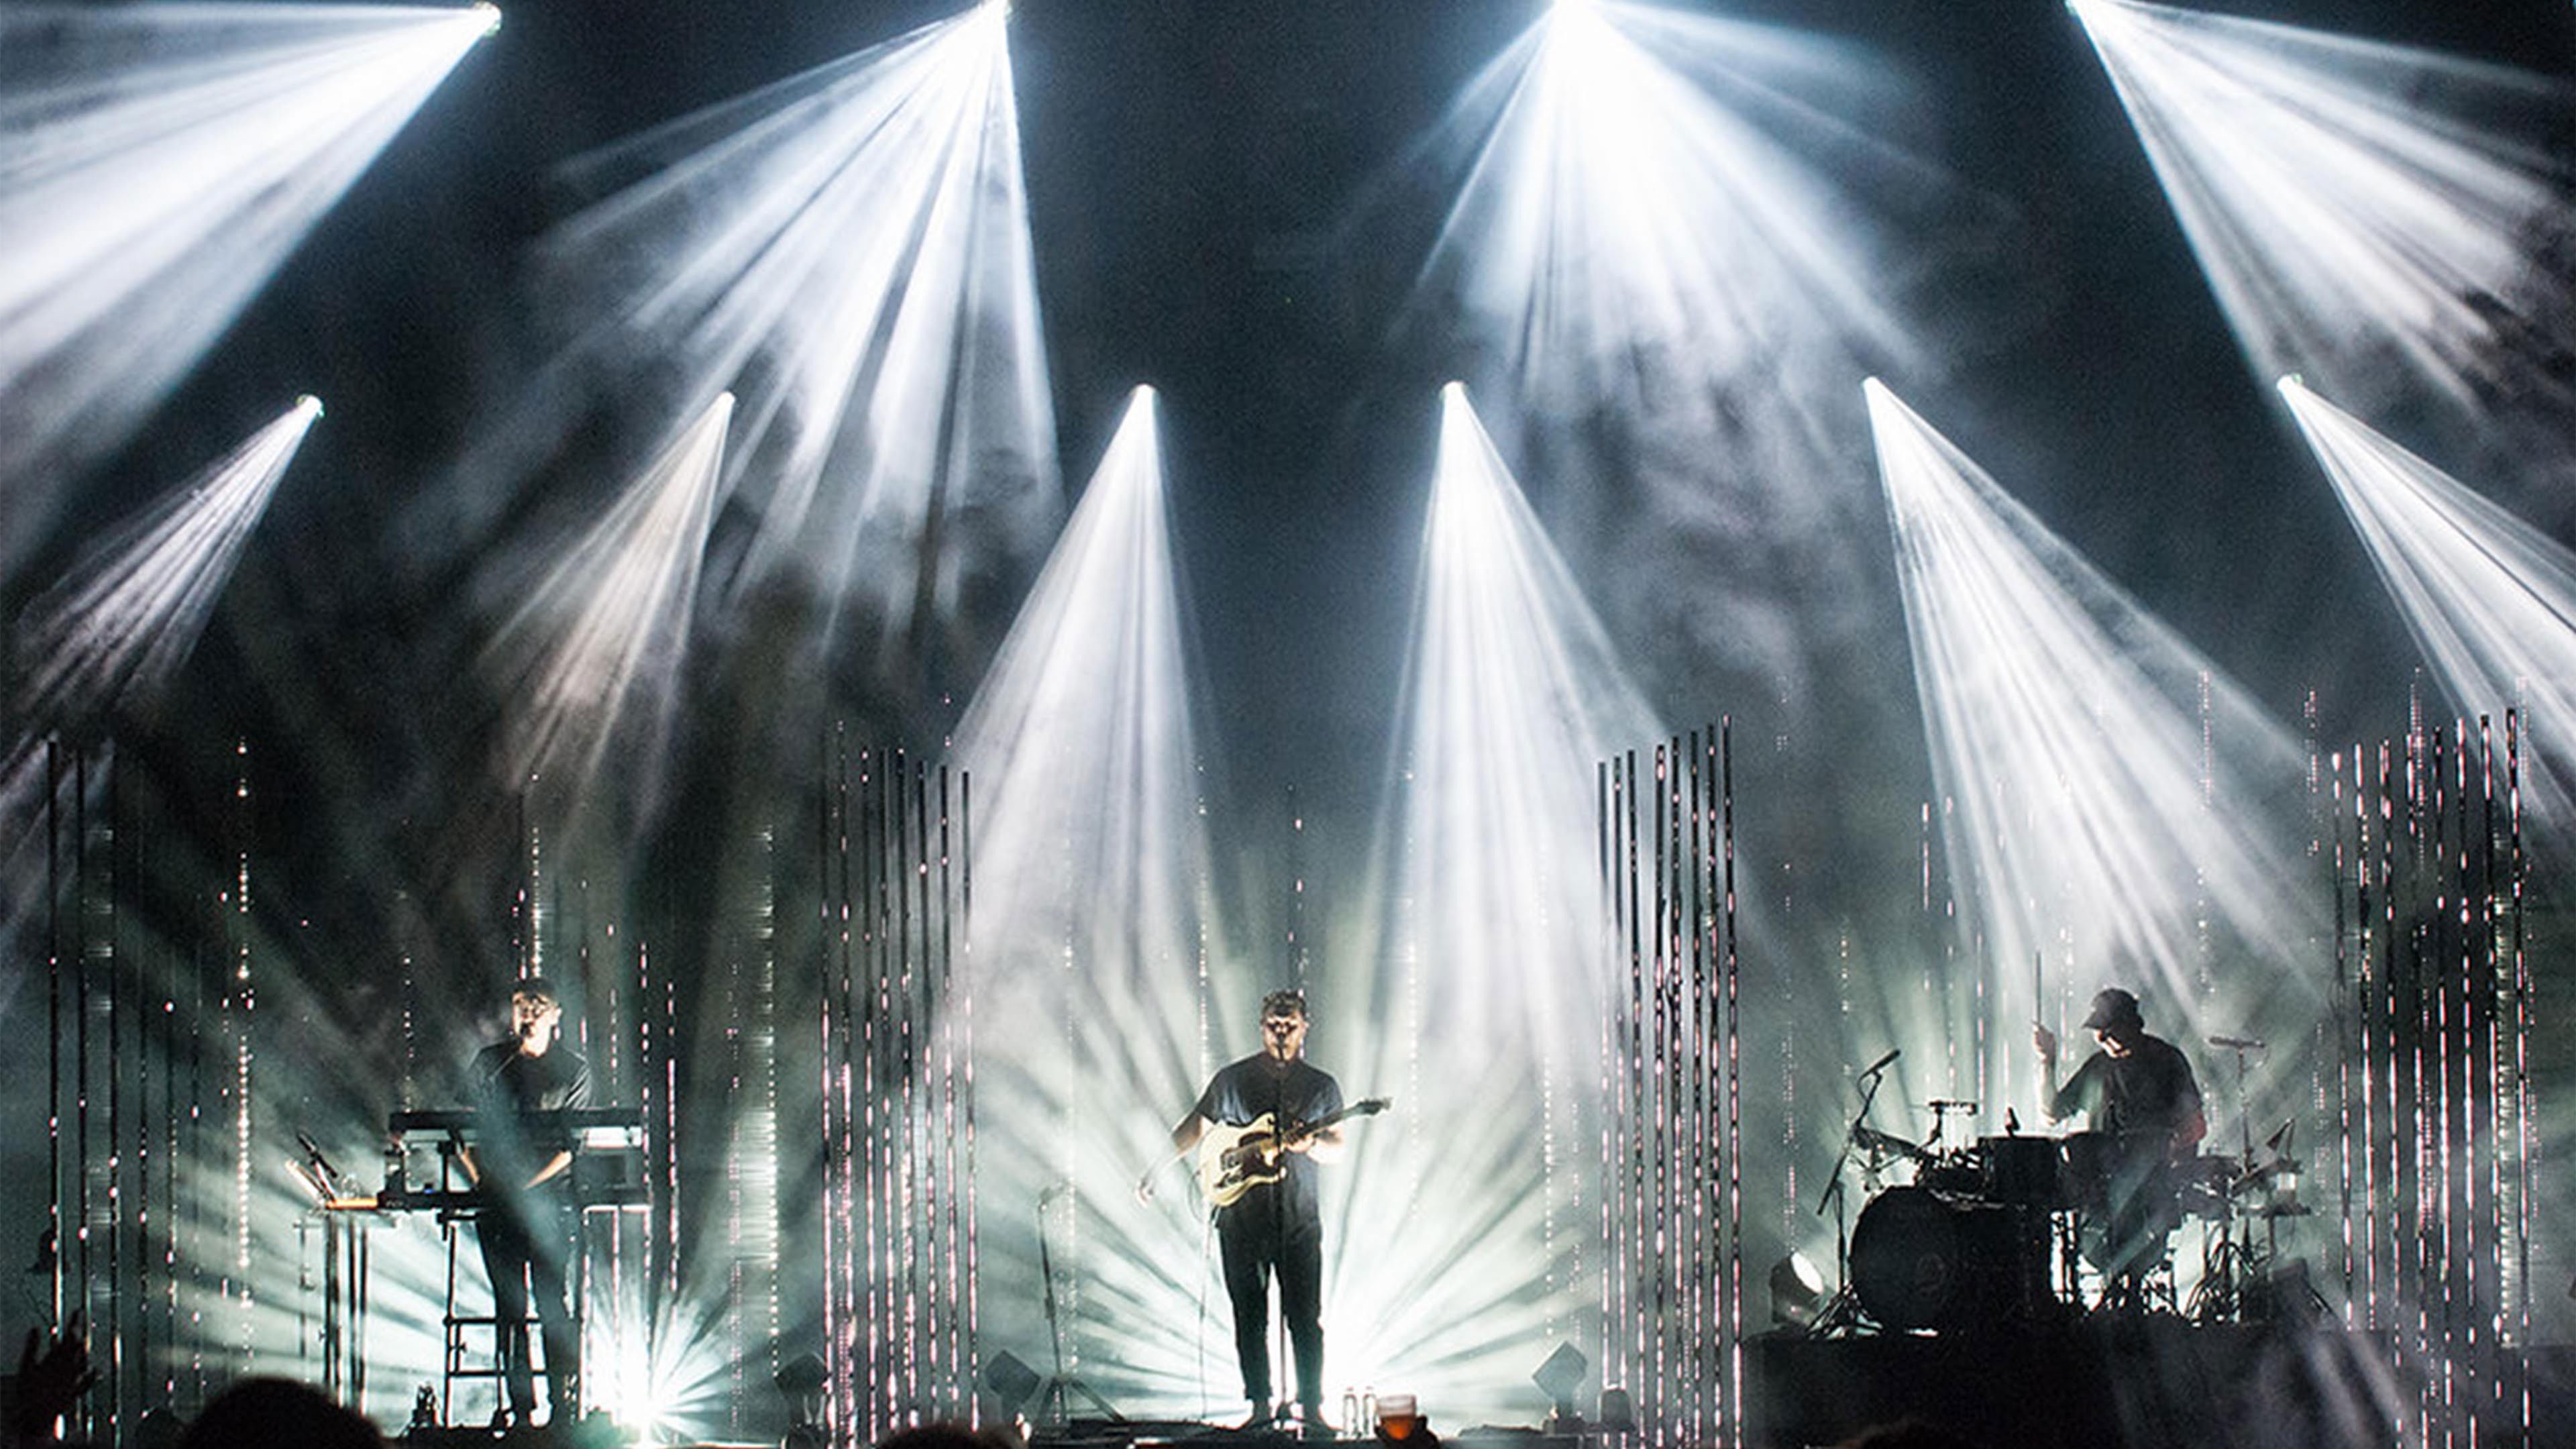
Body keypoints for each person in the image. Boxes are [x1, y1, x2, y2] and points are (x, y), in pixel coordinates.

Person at [1138, 990, 1344, 1430]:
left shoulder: (1321, 1086)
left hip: (1299, 1221)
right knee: (1249, 1315)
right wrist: (1158, 1167)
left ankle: (1311, 1405)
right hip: (1241, 1220)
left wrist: (1309, 1144)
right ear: (1262, 1024)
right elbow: (1197, 1124)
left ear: (1305, 1026)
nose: (1282, 1030)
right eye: (1274, 1022)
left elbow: (1336, 1148)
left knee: (1305, 1317)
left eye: (1290, 1023)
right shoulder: (1233, 1079)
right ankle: (1259, 1407)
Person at [462, 977, 590, 1430]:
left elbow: (571, 1148)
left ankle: (562, 1409)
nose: (527, 1013)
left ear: (556, 1015)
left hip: (550, 1207)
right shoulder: (491, 1064)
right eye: (520, 1005)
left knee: (553, 1304)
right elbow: (463, 1131)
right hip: (499, 1206)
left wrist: (524, 1186)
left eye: (537, 1005)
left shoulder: (572, 1069)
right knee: (510, 1309)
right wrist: (484, 1179)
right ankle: (521, 1411)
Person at [2033, 986, 2205, 1296]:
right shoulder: (2097, 1067)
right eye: (2097, 1031)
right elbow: (2051, 1113)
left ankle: (2134, 1306)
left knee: (2139, 1254)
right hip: (2102, 1193)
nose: (2101, 1038)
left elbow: (2195, 1125)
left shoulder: (2165, 1060)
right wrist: (2048, 1061)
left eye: (2108, 1030)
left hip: (2151, 1188)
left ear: (2130, 1024)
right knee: (2096, 1249)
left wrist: (2165, 1153)